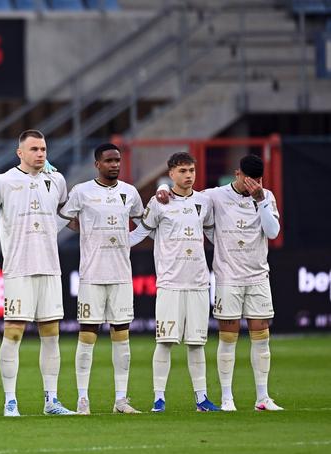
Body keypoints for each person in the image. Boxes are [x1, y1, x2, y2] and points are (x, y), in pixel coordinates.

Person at [0, 130, 75, 417]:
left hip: (50, 267)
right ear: (20, 153)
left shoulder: (57, 180)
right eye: (34, 149)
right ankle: (10, 401)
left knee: (51, 334)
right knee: (14, 332)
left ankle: (51, 400)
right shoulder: (3, 181)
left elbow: (66, 213)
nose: (40, 153)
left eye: (43, 149)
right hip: (18, 268)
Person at [129, 152, 221, 412]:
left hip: (199, 281)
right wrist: (117, 243)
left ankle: (201, 398)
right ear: (171, 174)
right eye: (182, 171)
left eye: (191, 170)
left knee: (196, 343)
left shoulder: (204, 202)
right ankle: (159, 398)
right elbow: (142, 231)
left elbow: (212, 233)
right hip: (170, 282)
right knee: (165, 341)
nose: (188, 175)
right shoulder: (159, 202)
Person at [59, 143, 144, 415]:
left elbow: (144, 222)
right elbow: (63, 217)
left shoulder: (129, 193)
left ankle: (121, 400)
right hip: (91, 275)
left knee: (122, 337)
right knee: (87, 336)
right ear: (97, 164)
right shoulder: (82, 191)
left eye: (117, 160)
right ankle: (82, 399)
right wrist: (84, 230)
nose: (114, 164)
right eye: (109, 160)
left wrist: (129, 240)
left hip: (121, 275)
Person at [204, 154, 282, 411]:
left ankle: (263, 398)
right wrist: (162, 188)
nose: (254, 185)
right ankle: (227, 398)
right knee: (228, 337)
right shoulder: (216, 196)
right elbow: (186, 199)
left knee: (262, 336)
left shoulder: (266, 196)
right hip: (228, 277)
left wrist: (261, 201)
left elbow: (273, 232)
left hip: (258, 276)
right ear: (238, 174)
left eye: (258, 180)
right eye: (250, 179)